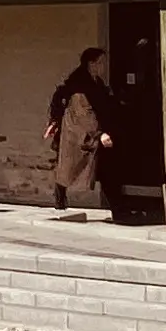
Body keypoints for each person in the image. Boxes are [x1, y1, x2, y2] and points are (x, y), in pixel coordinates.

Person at [46, 45, 109, 215]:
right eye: (101, 62)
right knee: (70, 165)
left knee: (97, 166)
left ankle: (117, 203)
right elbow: (84, 113)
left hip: (89, 132)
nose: (104, 66)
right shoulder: (79, 85)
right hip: (77, 133)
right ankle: (60, 194)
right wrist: (99, 133)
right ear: (91, 64)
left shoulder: (96, 82)